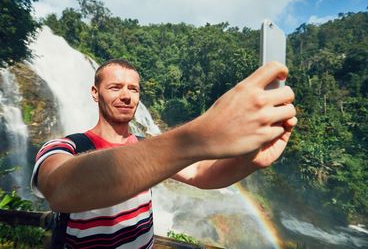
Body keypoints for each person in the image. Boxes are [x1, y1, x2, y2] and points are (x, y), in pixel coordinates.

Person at [31, 59, 297, 248]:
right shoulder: (66, 147)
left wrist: (248, 161)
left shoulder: (150, 147)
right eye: (115, 87)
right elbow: (59, 190)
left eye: (133, 89)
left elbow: (201, 174)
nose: (126, 96)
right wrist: (198, 135)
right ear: (94, 92)